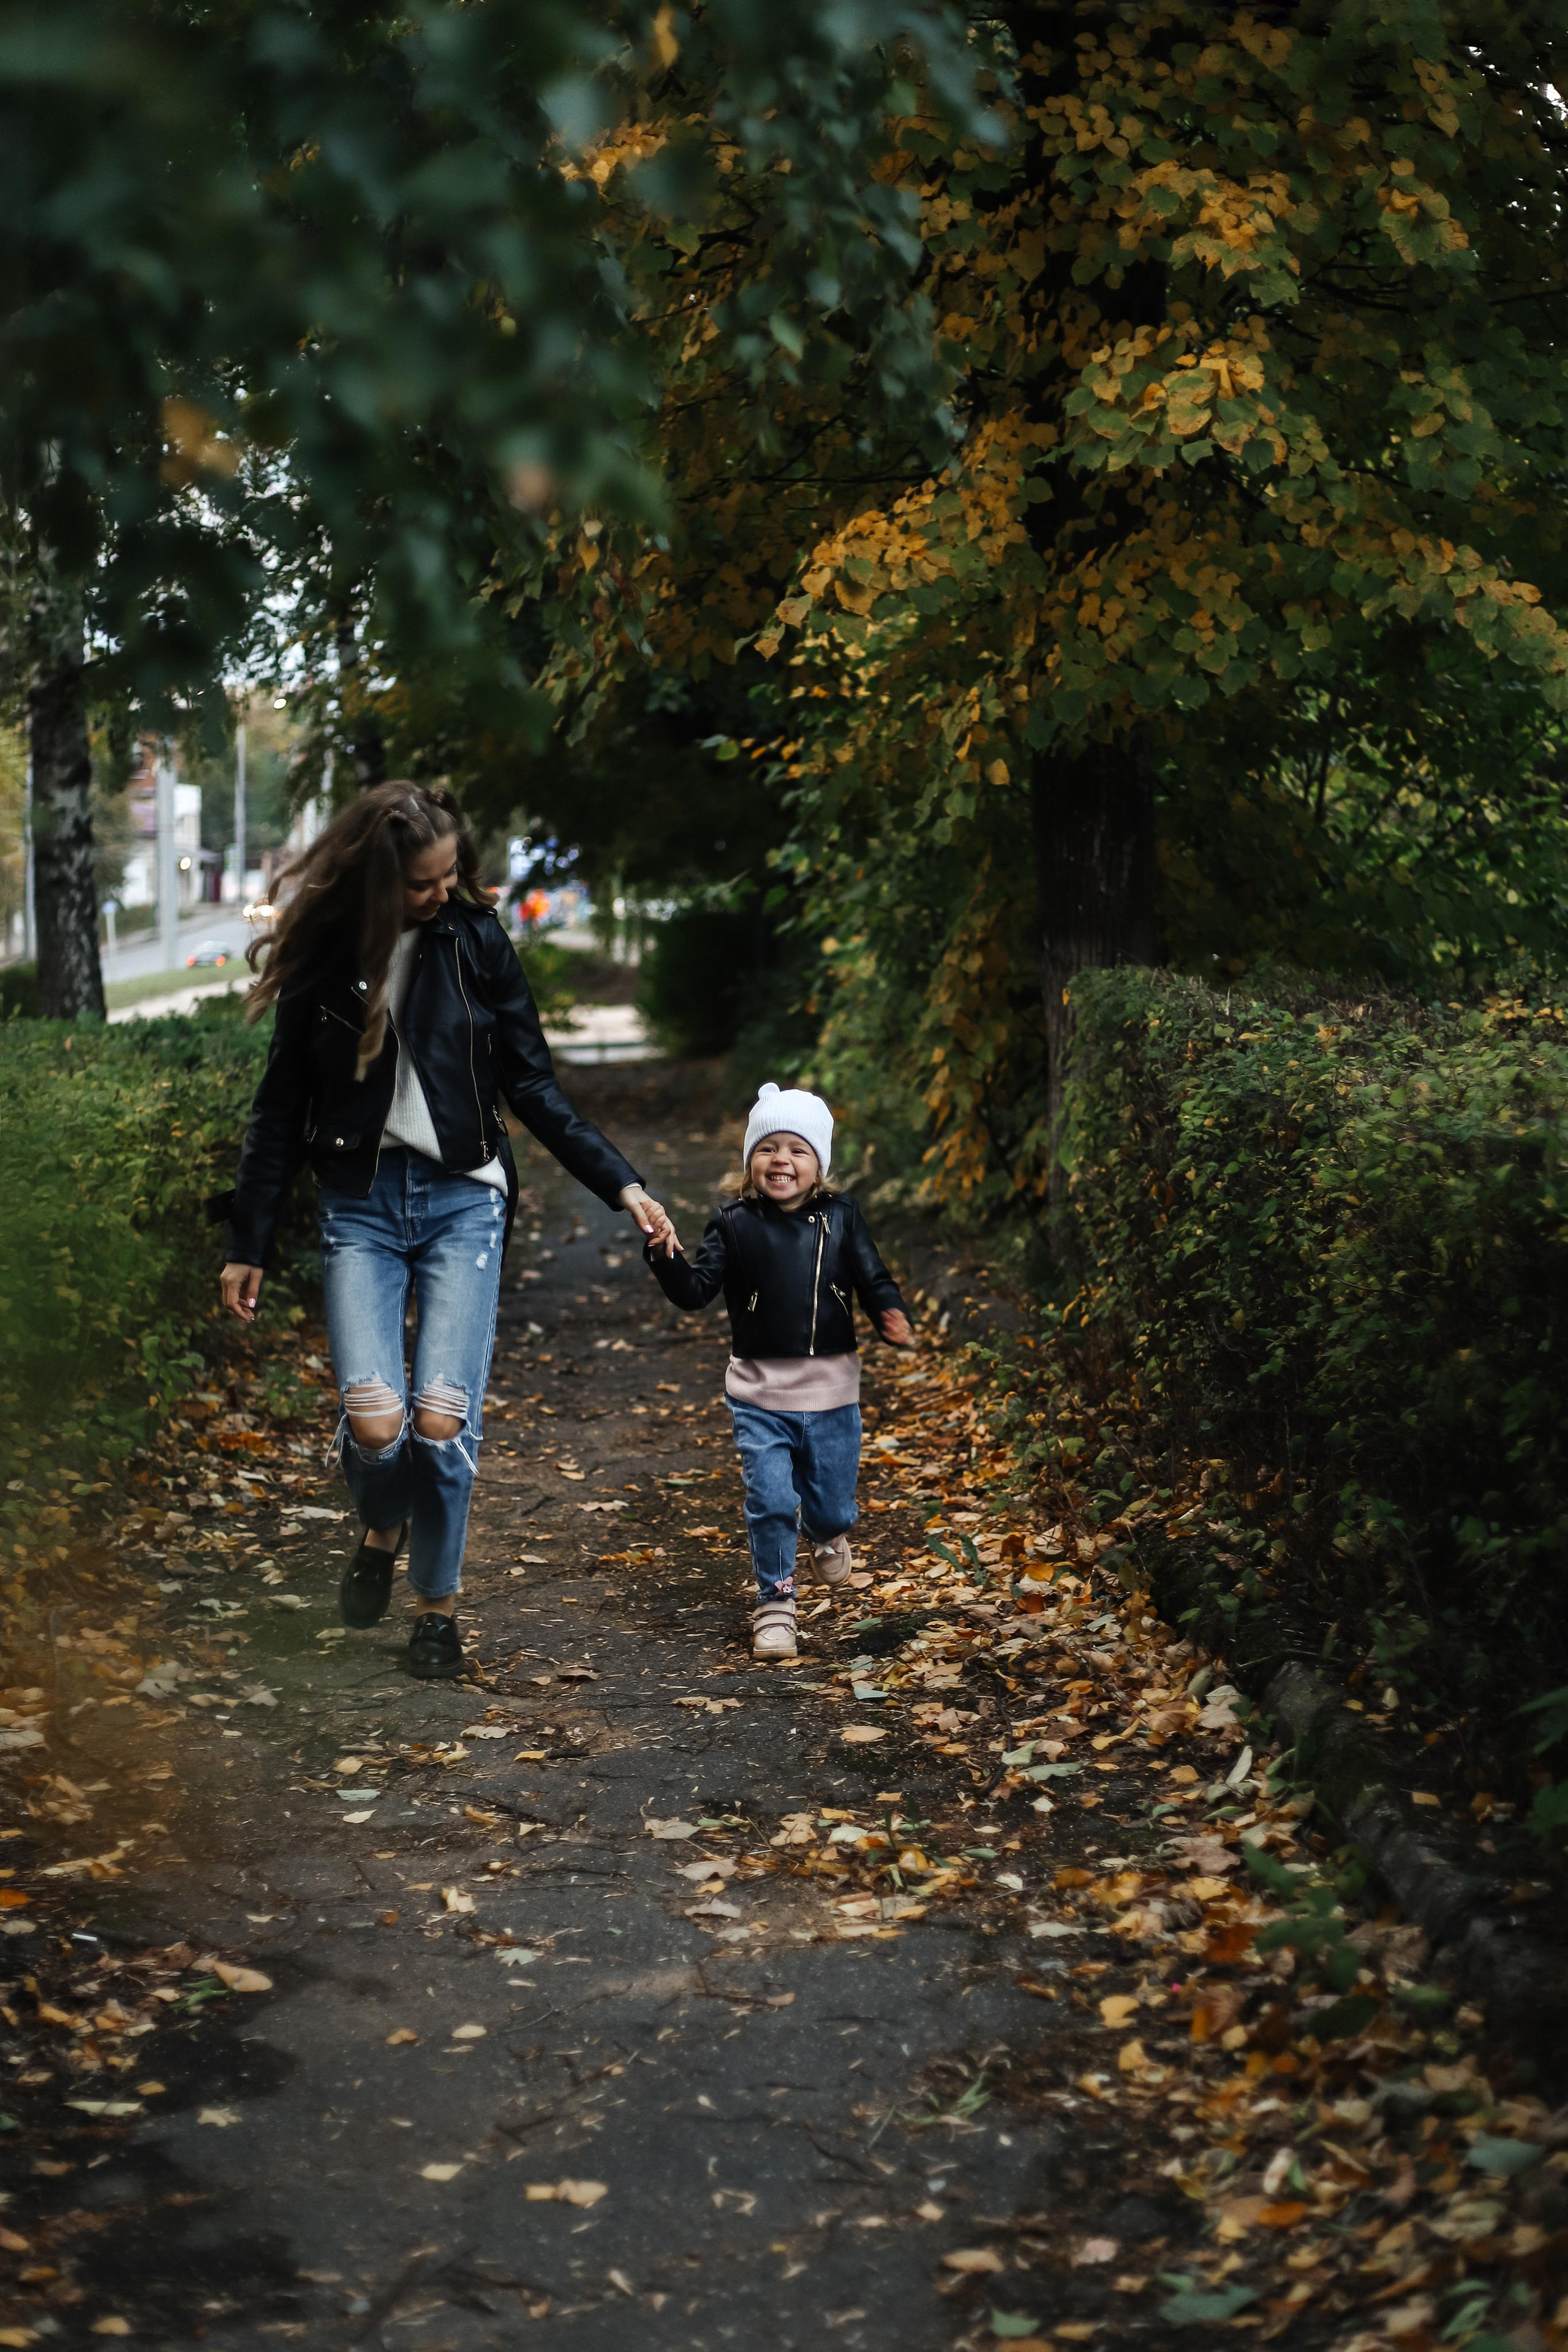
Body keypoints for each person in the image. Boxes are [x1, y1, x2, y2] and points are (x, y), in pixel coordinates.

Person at [215, 781, 677, 1679]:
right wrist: (249, 1239)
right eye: (425, 882)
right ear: (384, 880)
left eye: (450, 874)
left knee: (439, 1419)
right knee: (376, 1422)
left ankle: (437, 1609)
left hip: (465, 1198)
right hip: (362, 1203)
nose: (444, 890)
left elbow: (533, 1087)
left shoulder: (476, 943)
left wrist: (622, 1185)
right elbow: (279, 1109)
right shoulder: (324, 957)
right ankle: (382, 1523)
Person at [644, 1082, 911, 1659]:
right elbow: (695, 1292)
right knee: (769, 1501)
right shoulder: (734, 1223)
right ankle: (776, 1605)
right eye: (768, 1148)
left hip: (833, 1393)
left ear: (819, 1165)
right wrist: (665, 1255)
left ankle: (828, 1531)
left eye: (798, 1149)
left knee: (833, 1507)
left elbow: (873, 1276)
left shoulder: (842, 1218)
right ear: (749, 1162)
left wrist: (890, 1311)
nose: (781, 1160)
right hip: (760, 1394)